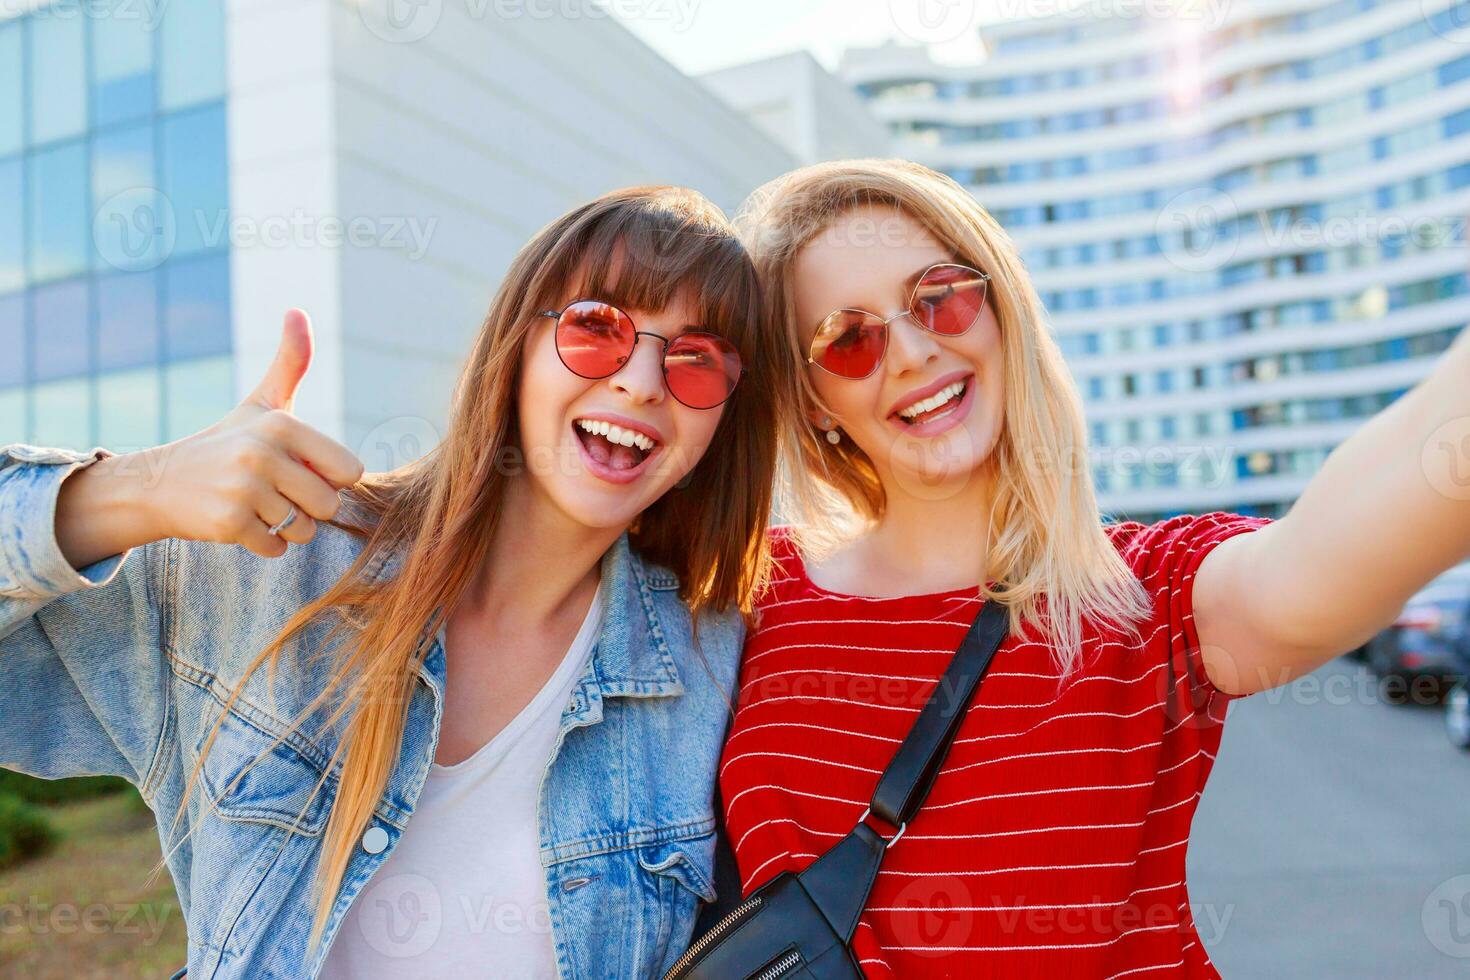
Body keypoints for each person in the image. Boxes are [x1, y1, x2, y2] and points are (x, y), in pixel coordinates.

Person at [716, 158, 1470, 977]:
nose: (910, 352)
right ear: (814, 399)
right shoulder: (747, 597)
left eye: (940, 296)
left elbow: (1344, 537)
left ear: (1001, 309)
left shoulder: (1145, 597)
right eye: (848, 338)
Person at [0, 185, 777, 979]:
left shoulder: (713, 665)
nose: (643, 382)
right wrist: (137, 491)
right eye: (597, 328)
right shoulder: (271, 567)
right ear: (514, 345)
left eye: (697, 360)